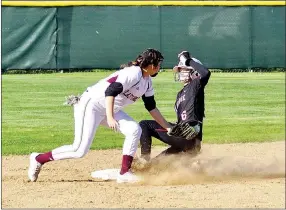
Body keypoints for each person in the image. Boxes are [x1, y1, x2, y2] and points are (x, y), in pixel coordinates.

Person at [28, 48, 172, 183]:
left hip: (109, 107)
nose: (159, 66)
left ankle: (124, 173)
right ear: (149, 64)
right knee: (79, 150)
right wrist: (110, 117)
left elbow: (151, 107)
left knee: (134, 130)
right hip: (92, 104)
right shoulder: (133, 73)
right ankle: (39, 158)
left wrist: (167, 127)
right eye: (158, 63)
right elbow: (110, 91)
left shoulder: (147, 82)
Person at [138, 51, 211, 162]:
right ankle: (191, 165)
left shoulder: (195, 85)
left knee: (145, 124)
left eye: (184, 70)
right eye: (180, 70)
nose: (180, 73)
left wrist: (188, 60)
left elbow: (205, 73)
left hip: (189, 138)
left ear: (194, 73)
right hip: (183, 139)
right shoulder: (180, 94)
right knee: (156, 163)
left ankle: (144, 159)